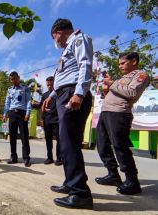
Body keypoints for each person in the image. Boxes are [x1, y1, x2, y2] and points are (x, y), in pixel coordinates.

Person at [43, 18, 93, 209]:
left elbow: (85, 65)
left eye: (53, 37)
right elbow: (65, 75)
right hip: (65, 94)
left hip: (73, 93)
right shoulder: (67, 49)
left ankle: (80, 193)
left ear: (58, 32)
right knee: (65, 143)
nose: (55, 41)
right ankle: (70, 183)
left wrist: (79, 93)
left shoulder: (79, 39)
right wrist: (53, 95)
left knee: (70, 143)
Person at [95, 52, 150, 195]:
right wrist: (106, 91)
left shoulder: (141, 75)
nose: (120, 66)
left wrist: (112, 84)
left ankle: (132, 181)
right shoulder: (121, 78)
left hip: (119, 114)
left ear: (134, 61)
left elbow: (132, 93)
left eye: (122, 63)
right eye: (119, 64)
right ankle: (113, 174)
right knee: (102, 145)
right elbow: (116, 93)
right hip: (106, 112)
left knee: (120, 147)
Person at [3, 71, 32, 167]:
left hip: (22, 113)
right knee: (12, 136)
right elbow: (7, 102)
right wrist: (5, 113)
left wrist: (28, 113)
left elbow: (28, 101)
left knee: (24, 136)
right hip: (12, 113)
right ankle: (13, 157)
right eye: (11, 79)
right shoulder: (9, 89)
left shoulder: (25, 88)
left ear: (18, 78)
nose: (13, 81)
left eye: (15, 78)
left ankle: (26, 158)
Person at [41, 76, 62, 166]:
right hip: (47, 120)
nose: (49, 86)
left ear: (55, 83)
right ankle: (49, 158)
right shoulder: (44, 95)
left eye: (51, 84)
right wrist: (42, 119)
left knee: (59, 140)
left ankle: (59, 158)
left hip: (57, 120)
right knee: (48, 140)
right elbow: (42, 108)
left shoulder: (59, 94)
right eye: (48, 85)